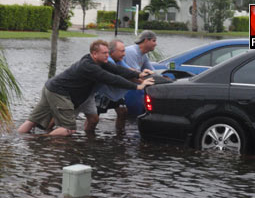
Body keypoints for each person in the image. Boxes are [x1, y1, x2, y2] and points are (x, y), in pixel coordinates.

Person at [17, 40, 154, 136]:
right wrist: (137, 86)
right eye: (104, 53)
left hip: (51, 87)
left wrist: (139, 73)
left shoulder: (99, 61)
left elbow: (118, 70)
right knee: (68, 129)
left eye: (108, 52)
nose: (107, 55)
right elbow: (112, 79)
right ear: (94, 54)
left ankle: (22, 138)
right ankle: (42, 142)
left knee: (32, 120)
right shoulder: (89, 67)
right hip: (58, 92)